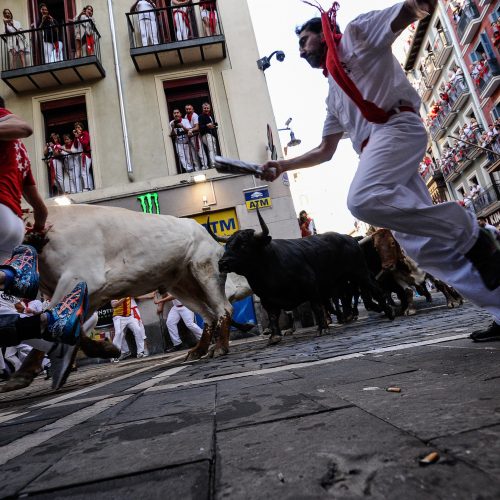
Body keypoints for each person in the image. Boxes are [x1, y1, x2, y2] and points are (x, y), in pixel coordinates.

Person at [258, 0, 500, 343]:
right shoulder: (333, 94)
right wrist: (282, 165)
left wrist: (419, 5)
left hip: (396, 128)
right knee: (424, 249)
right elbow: (325, 151)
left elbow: (409, 11)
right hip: (379, 153)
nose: (300, 52)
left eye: (304, 41)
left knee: (362, 199)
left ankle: (474, 234)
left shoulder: (356, 35)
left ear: (324, 31)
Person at [0, 97, 88, 352]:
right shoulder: (20, 153)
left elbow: (24, 127)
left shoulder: (9, 131)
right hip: (13, 225)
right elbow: (39, 207)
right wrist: (37, 232)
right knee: (3, 312)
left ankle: (12, 275)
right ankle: (52, 331)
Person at [170, 108, 195, 172]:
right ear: (173, 115)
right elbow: (172, 135)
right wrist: (173, 128)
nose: (176, 114)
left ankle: (191, 168)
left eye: (177, 113)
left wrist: (182, 126)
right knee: (181, 157)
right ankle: (188, 169)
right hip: (178, 143)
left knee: (189, 157)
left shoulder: (185, 121)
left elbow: (189, 130)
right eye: (174, 113)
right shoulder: (171, 123)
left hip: (186, 142)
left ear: (180, 114)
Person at [185, 103, 207, 169]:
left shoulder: (195, 115)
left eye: (189, 109)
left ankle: (205, 165)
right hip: (190, 137)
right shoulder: (186, 116)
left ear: (193, 109)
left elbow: (197, 127)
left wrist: (190, 130)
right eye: (187, 109)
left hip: (196, 136)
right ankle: (197, 167)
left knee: (200, 152)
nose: (188, 110)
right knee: (193, 154)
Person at [73, 121, 93, 191]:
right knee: (85, 172)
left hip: (86, 155)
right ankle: (89, 186)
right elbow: (75, 145)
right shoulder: (78, 136)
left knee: (84, 172)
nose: (77, 129)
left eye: (78, 127)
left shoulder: (85, 134)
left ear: (82, 128)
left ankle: (87, 187)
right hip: (81, 156)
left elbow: (85, 144)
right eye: (76, 128)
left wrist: (79, 137)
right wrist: (76, 137)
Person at [198, 102, 218, 168]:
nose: (206, 109)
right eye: (205, 108)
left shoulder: (210, 116)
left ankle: (215, 162)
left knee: (214, 149)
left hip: (211, 135)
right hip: (206, 135)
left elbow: (212, 125)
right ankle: (213, 164)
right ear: (202, 109)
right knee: (211, 149)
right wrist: (207, 126)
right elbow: (200, 127)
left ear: (209, 109)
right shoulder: (200, 116)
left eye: (207, 108)